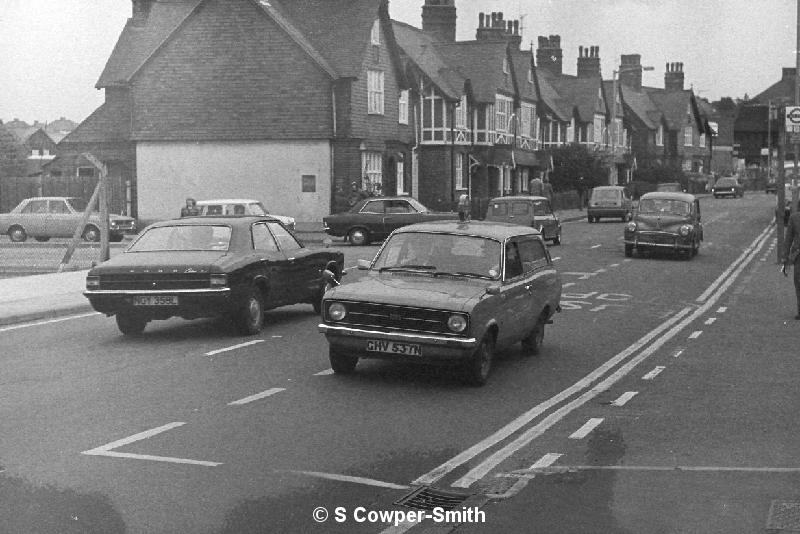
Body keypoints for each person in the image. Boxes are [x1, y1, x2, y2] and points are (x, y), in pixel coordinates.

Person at [782, 209, 800, 320]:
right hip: (798, 256)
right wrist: (785, 257)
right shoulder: (794, 218)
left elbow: (788, 239)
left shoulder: (794, 217)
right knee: (798, 282)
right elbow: (788, 239)